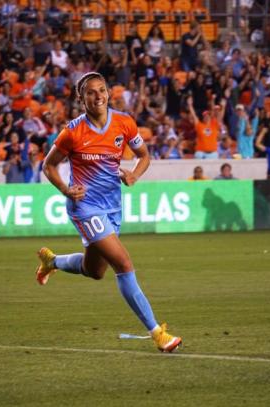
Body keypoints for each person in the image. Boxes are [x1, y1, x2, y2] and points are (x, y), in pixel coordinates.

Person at [36, 72, 182, 353]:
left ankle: (52, 262)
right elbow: (48, 166)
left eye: (102, 90)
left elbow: (144, 155)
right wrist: (67, 190)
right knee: (124, 265)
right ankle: (158, 334)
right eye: (91, 92)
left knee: (94, 271)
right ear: (81, 99)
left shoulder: (124, 123)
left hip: (113, 206)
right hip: (86, 207)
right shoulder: (73, 131)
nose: (98, 95)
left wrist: (135, 176)